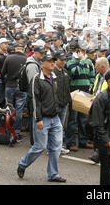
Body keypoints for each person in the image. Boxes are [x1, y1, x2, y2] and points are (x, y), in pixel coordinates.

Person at [17, 55, 66, 183]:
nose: (52, 63)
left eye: (53, 61)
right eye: (49, 61)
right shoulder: (36, 79)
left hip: (55, 118)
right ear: (42, 63)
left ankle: (53, 174)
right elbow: (34, 101)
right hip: (42, 118)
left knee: (55, 148)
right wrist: (38, 119)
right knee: (40, 146)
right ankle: (22, 164)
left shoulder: (54, 77)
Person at [65, 43, 96, 151]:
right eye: (81, 50)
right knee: (73, 119)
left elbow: (92, 75)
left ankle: (83, 141)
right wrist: (81, 60)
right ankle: (70, 142)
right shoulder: (70, 60)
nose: (83, 52)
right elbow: (75, 72)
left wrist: (91, 85)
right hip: (75, 91)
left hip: (85, 92)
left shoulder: (89, 62)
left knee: (83, 118)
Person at [0, 42, 28, 140]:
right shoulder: (27, 59)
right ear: (23, 49)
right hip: (21, 87)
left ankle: (8, 131)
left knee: (9, 109)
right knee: (19, 110)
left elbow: (2, 73)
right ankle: (17, 132)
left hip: (10, 85)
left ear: (15, 49)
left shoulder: (9, 58)